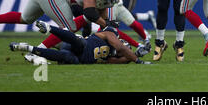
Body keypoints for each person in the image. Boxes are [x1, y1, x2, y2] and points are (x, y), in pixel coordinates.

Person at [10, 21, 151, 65]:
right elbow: (120, 47)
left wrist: (131, 56)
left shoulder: (111, 57)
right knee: (79, 42)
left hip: (78, 57)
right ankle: (49, 28)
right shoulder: (109, 35)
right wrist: (138, 60)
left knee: (66, 58)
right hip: (77, 44)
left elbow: (119, 59)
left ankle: (28, 47)